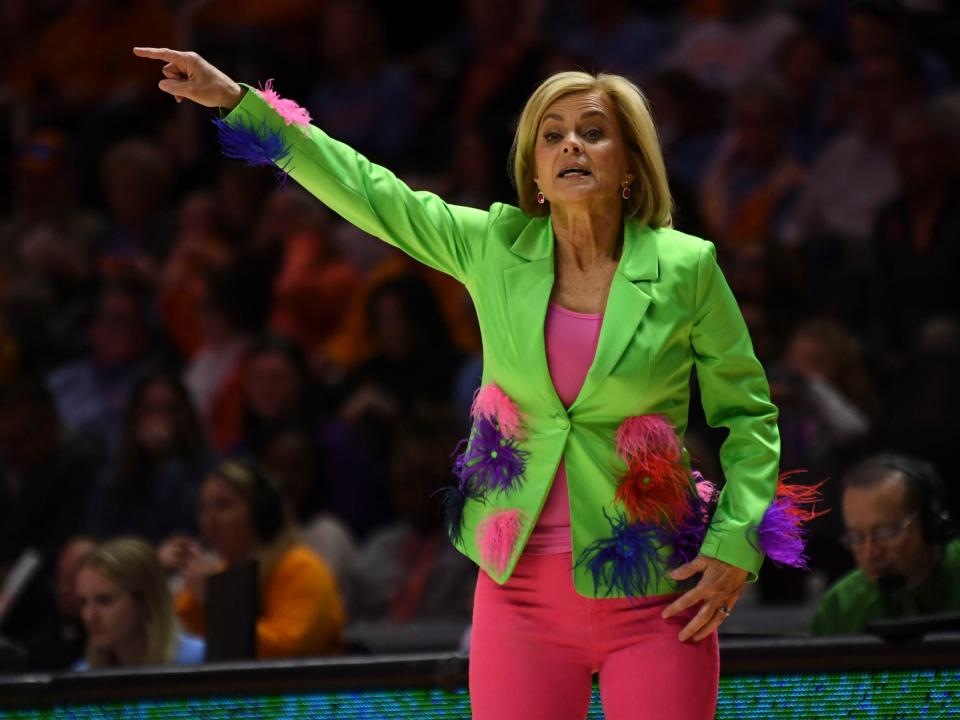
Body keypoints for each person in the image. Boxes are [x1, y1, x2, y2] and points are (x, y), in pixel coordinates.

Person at [133, 47, 804, 719]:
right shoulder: (496, 246)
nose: (572, 142)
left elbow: (748, 416)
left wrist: (736, 543)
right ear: (536, 170)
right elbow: (369, 190)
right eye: (553, 133)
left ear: (629, 165)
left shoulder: (687, 266)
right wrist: (235, 101)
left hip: (659, 592)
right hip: (520, 599)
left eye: (593, 130)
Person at [164, 459, 345, 659]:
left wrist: (217, 600)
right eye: (203, 508)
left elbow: (286, 652)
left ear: (260, 512)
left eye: (223, 505)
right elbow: (183, 640)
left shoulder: (303, 568)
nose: (208, 519)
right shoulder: (222, 572)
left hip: (304, 689)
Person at [809, 453, 960, 636]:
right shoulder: (840, 606)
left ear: (931, 523)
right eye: (856, 537)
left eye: (886, 533)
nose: (870, 553)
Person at [74, 538, 204, 670]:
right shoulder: (81, 674)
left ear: (144, 601)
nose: (89, 617)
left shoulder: (201, 660)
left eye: (104, 601)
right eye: (83, 603)